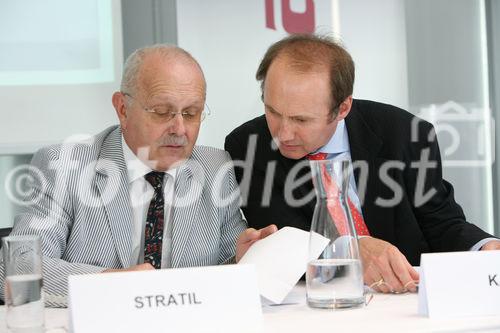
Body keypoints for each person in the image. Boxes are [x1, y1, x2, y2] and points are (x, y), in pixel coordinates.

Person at [0, 45, 276, 307]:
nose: (180, 129)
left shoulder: (215, 167)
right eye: (162, 112)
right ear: (122, 109)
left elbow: (227, 268)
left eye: (191, 114)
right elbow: (18, 266)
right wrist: (111, 285)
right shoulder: (64, 167)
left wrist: (243, 260)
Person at [225, 34, 500, 294]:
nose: (283, 134)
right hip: (313, 304)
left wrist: (484, 247)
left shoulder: (406, 133)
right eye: (272, 111)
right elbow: (285, 241)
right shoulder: (248, 146)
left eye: (301, 120)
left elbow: (441, 223)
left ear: (343, 108)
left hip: (404, 295)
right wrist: (352, 249)